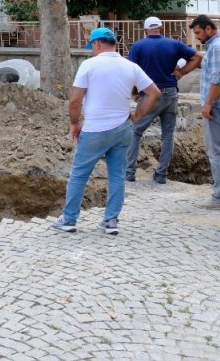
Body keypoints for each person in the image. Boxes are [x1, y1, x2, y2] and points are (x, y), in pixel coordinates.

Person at [52, 27, 161, 235]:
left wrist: (74, 124)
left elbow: (75, 99)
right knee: (117, 175)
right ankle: (111, 221)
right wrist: (137, 115)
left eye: (92, 46)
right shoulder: (131, 67)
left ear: (97, 44)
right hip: (122, 129)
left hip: (95, 129)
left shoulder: (89, 65)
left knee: (78, 175)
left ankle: (69, 219)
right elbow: (154, 93)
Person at [125, 16, 201, 184]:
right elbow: (197, 58)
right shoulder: (174, 44)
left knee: (135, 131)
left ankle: (129, 173)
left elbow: (132, 72)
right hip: (171, 93)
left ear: (145, 30)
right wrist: (182, 72)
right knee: (167, 135)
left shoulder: (138, 46)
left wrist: (134, 92)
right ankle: (161, 175)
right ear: (160, 28)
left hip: (150, 96)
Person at [189, 15, 220, 208]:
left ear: (209, 28)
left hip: (218, 106)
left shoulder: (217, 47)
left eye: (199, 33)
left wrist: (207, 104)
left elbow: (218, 80)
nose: (197, 38)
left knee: (216, 151)